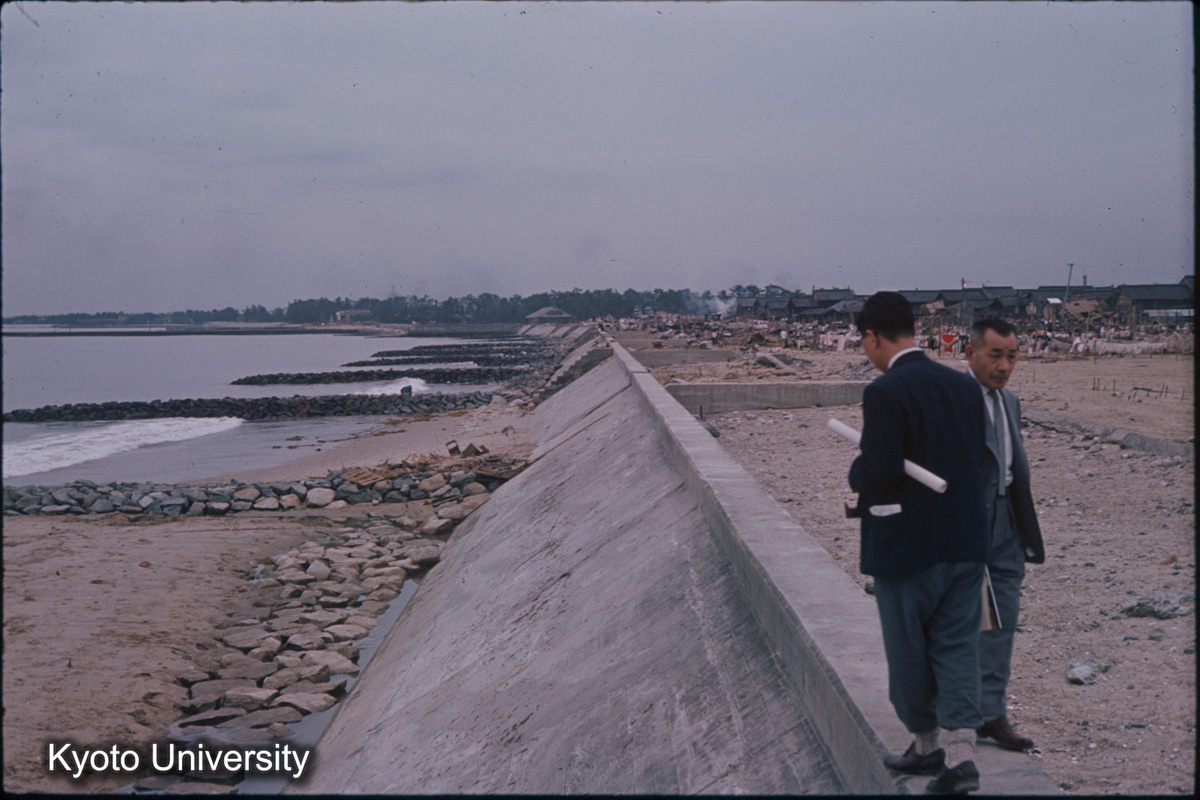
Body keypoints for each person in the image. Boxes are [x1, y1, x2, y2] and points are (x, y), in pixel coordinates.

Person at [848, 291, 990, 794]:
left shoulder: (886, 391)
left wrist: (855, 471)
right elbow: (976, 458)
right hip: (966, 539)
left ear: (872, 335)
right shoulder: (964, 386)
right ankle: (959, 755)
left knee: (908, 649)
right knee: (956, 645)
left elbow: (880, 468)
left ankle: (927, 744)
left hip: (907, 544)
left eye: (863, 340)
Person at [964, 319, 1046, 752]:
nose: (1004, 366)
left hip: (1007, 525)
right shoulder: (953, 400)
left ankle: (992, 715)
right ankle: (958, 716)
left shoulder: (1010, 402)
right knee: (967, 622)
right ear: (970, 353)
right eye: (995, 355)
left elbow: (1014, 468)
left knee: (1002, 622)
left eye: (1012, 356)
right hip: (965, 528)